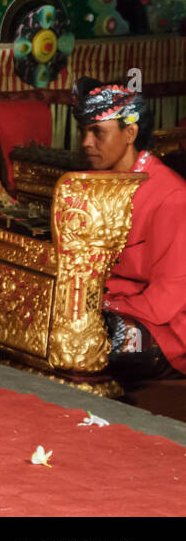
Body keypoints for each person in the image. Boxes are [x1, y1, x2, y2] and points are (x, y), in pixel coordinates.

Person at [71, 80, 186, 380]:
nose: (86, 142)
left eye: (98, 132)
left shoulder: (171, 196)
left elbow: (165, 301)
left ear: (130, 133)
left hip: (164, 327)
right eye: (84, 132)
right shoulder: (92, 184)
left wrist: (101, 305)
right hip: (108, 305)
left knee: (103, 336)